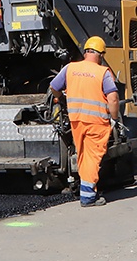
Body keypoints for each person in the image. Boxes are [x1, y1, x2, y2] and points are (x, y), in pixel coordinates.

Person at [50, 36, 120, 207]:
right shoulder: (102, 72)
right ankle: (88, 197)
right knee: (92, 158)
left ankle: (87, 190)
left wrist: (61, 98)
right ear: (100, 54)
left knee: (82, 155)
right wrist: (114, 118)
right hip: (96, 122)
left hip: (76, 120)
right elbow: (113, 99)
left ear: (86, 52)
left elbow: (54, 87)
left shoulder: (70, 68)